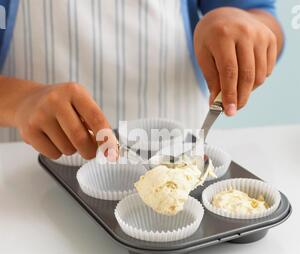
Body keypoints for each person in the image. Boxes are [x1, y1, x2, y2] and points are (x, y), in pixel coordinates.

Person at [0, 0, 284, 160]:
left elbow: (261, 17)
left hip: (183, 157)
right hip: (25, 170)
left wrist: (244, 22)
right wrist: (19, 100)